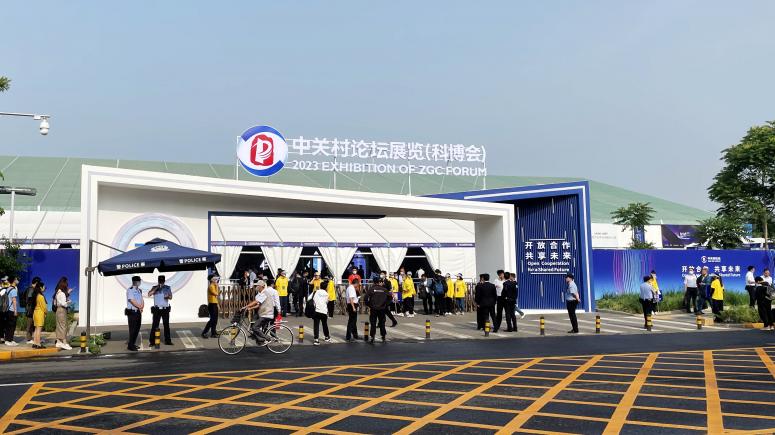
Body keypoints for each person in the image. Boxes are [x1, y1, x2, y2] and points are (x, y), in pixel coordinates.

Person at [241, 280, 275, 344]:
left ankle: (267, 338)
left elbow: (256, 302)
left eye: (257, 286)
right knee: (253, 326)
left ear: (261, 286)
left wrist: (246, 306)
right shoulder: (261, 293)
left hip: (266, 314)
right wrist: (250, 308)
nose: (256, 287)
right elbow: (258, 305)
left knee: (255, 327)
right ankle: (260, 339)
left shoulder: (265, 293)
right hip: (263, 314)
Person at [148, 275, 173, 346]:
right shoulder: (154, 287)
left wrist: (168, 296)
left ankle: (168, 341)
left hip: (165, 309)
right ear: (158, 281)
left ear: (164, 281)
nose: (161, 282)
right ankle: (152, 341)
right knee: (155, 325)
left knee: (166, 325)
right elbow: (149, 294)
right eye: (160, 281)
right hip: (157, 309)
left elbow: (171, 297)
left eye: (162, 281)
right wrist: (157, 287)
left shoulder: (167, 287)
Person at [364, 277, 390, 343]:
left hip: (374, 308)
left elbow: (365, 298)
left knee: (373, 323)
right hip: (382, 309)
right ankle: (383, 337)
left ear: (374, 282)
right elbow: (390, 297)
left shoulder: (371, 289)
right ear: (380, 282)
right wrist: (386, 305)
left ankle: (372, 337)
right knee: (382, 323)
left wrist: (369, 305)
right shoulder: (384, 289)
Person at [308, 278, 331, 345]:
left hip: (316, 311)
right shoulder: (327, 294)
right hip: (324, 311)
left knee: (316, 325)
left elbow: (310, 299)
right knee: (324, 324)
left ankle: (316, 340)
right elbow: (327, 302)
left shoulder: (316, 292)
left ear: (320, 286)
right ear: (326, 287)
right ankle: (326, 337)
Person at [53, 277, 73, 350]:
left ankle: (58, 342)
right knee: (63, 326)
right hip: (62, 310)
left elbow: (55, 303)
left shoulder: (57, 293)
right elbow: (64, 304)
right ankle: (64, 342)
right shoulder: (62, 293)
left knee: (59, 326)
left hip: (58, 310)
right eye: (66, 284)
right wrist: (69, 302)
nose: (67, 286)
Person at [125, 276, 144, 351]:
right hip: (132, 312)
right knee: (132, 329)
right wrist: (139, 306)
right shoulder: (130, 290)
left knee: (137, 328)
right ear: (136, 282)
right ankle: (130, 345)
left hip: (138, 311)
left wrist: (141, 306)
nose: (140, 282)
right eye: (139, 281)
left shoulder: (139, 290)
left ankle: (133, 343)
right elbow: (132, 300)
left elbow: (142, 299)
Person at [24, 277, 41, 344]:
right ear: (36, 282)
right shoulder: (31, 289)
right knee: (30, 324)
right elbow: (30, 300)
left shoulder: (32, 289)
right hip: (30, 309)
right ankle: (29, 339)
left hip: (32, 309)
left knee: (33, 324)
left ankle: (34, 338)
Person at [3, 276, 19, 346]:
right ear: (14, 280)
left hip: (7, 309)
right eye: (16, 279)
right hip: (12, 310)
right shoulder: (13, 290)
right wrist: (15, 311)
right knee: (12, 326)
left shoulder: (8, 289)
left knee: (8, 325)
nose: (17, 280)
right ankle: (9, 340)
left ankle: (8, 339)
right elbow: (14, 300)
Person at [32, 281, 48, 349]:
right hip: (40, 313)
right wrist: (46, 312)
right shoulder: (41, 296)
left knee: (36, 329)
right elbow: (44, 307)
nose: (44, 288)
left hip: (35, 313)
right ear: (41, 287)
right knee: (39, 329)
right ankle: (38, 344)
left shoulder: (35, 295)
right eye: (44, 287)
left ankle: (35, 343)